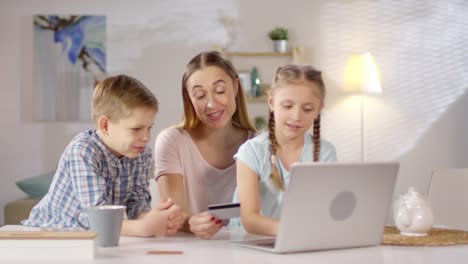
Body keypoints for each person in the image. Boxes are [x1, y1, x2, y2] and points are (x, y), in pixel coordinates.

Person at [22, 74, 184, 237]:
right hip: (51, 233)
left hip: (96, 235)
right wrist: (143, 228)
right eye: (136, 129)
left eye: (149, 128)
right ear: (105, 125)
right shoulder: (83, 150)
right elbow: (97, 218)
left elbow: (137, 203)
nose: (146, 137)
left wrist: (155, 219)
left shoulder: (141, 154)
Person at [154, 51, 257, 239]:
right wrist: (191, 223)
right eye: (200, 95)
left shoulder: (256, 144)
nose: (211, 104)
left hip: (245, 247)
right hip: (191, 247)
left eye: (219, 91)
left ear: (235, 87)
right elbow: (173, 211)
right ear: (189, 99)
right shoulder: (172, 141)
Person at [233, 65, 337, 236]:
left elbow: (325, 210)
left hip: (300, 242)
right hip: (249, 243)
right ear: (271, 102)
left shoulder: (325, 153)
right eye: (288, 106)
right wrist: (294, 231)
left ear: (319, 110)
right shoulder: (251, 152)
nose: (296, 116)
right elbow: (250, 220)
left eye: (307, 109)